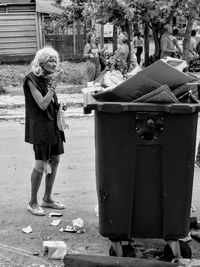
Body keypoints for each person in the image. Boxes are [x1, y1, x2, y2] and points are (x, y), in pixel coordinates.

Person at [23, 46, 67, 216]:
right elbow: (41, 104)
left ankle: (47, 198)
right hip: (41, 128)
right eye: (51, 60)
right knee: (41, 165)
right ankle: (32, 202)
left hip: (53, 126)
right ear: (41, 62)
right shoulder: (31, 79)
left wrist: (60, 106)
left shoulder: (47, 78)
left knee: (55, 160)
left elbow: (49, 103)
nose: (55, 63)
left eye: (56, 60)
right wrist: (54, 87)